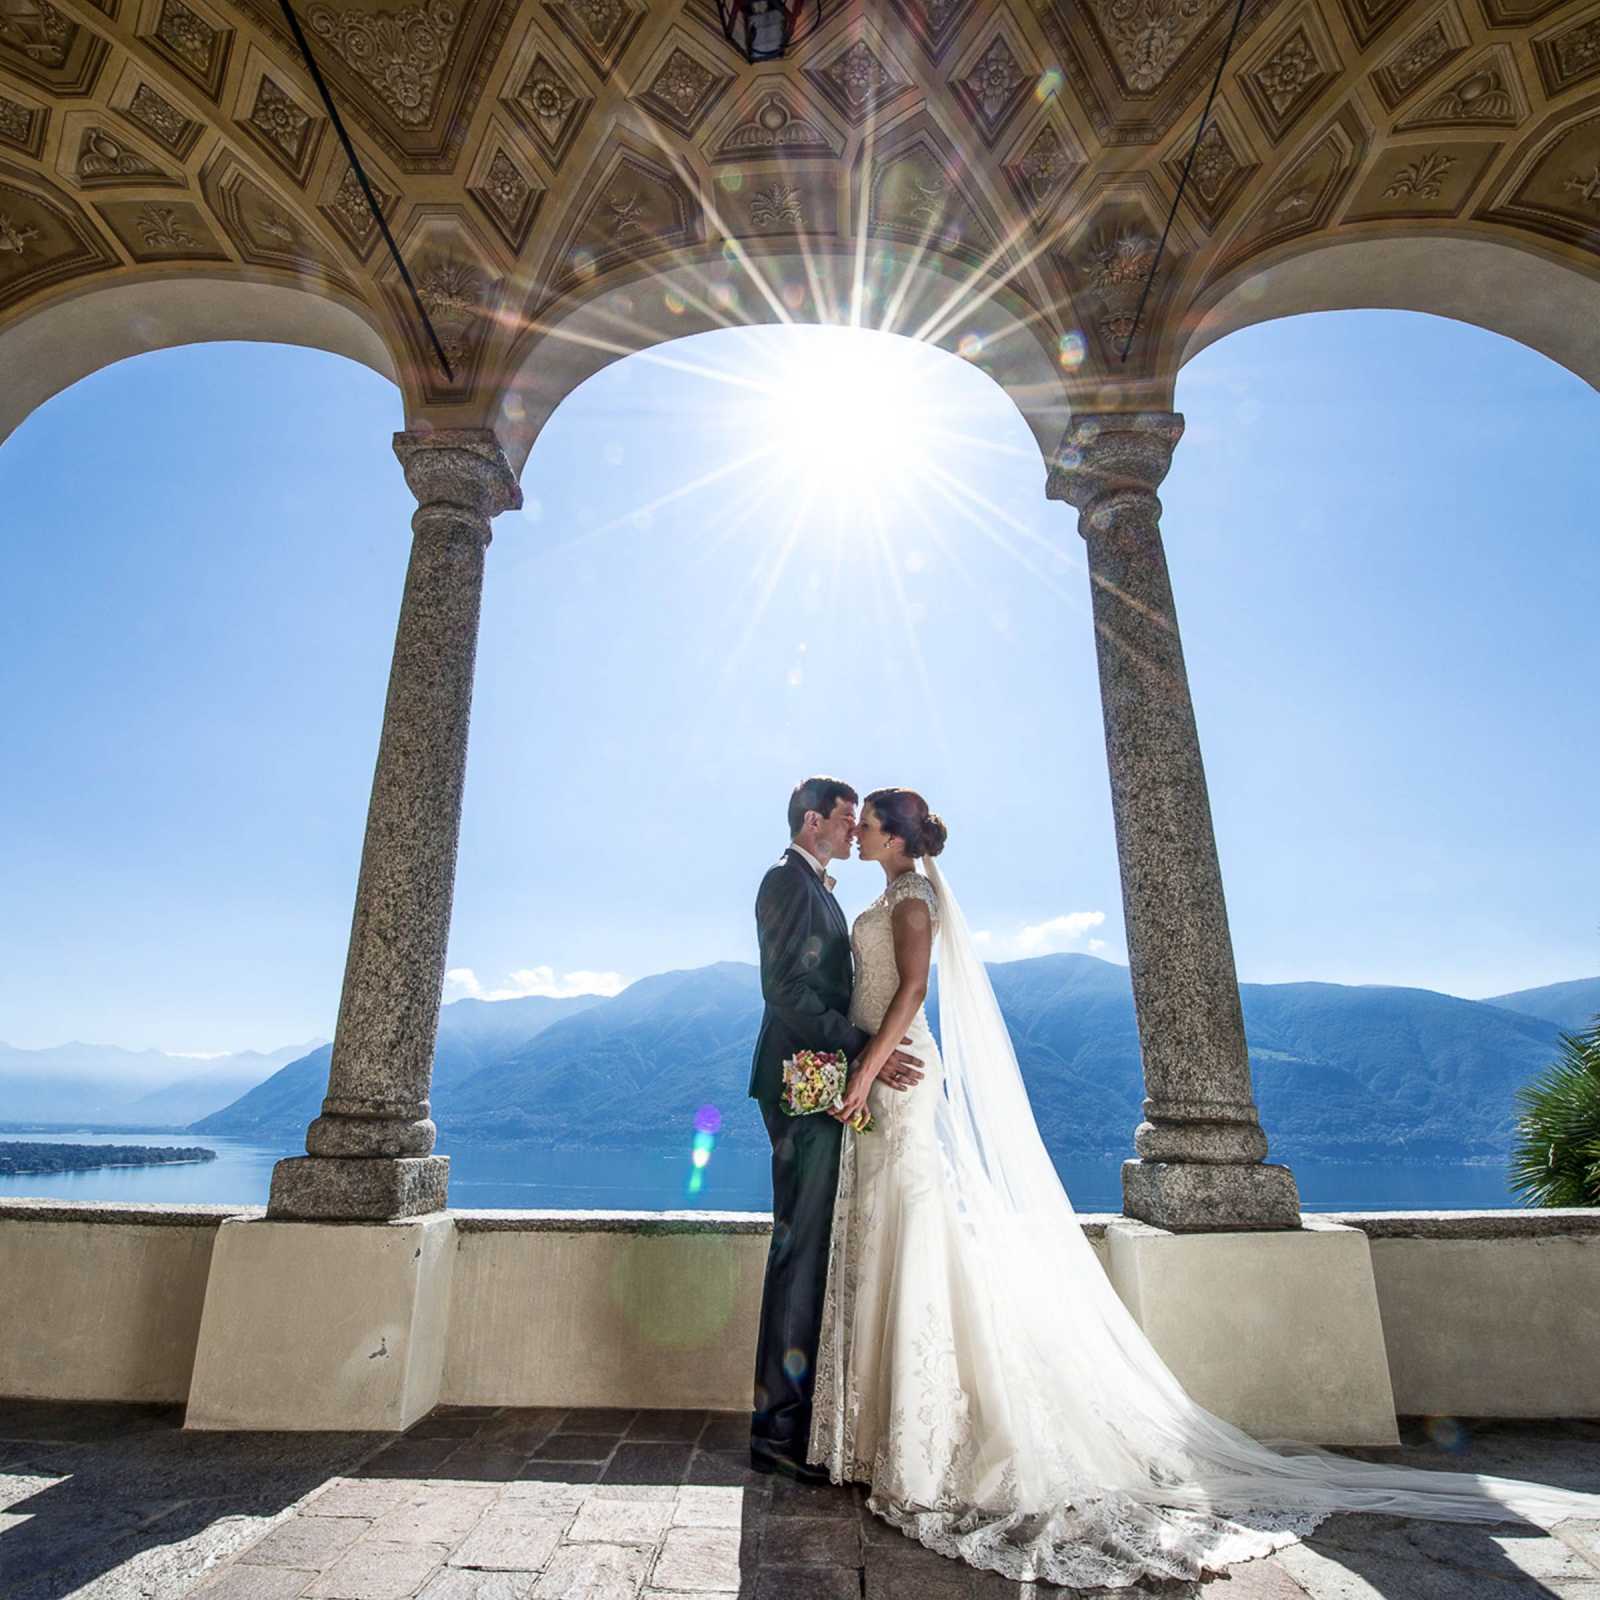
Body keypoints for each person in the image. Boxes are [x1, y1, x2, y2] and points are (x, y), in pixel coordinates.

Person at [806, 786, 1600, 1588]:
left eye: (867, 823)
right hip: (880, 1079)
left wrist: (865, 1070)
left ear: (898, 838)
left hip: (899, 1078)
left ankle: (920, 1442)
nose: (858, 831)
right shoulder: (888, 893)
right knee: (893, 1234)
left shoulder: (911, 902)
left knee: (911, 1230)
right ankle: (884, 1432)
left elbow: (910, 995)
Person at [746, 776, 925, 1483]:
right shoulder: (786, 882)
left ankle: (801, 1421)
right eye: (846, 820)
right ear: (813, 821)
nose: (855, 831)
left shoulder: (824, 889)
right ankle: (777, 1435)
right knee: (799, 1251)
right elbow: (784, 990)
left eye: (861, 822)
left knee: (813, 1249)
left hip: (821, 1087)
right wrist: (862, 1046)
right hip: (799, 1087)